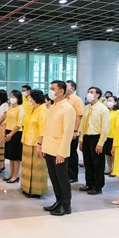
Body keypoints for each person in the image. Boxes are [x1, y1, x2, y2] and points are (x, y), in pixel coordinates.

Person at [38, 81, 75, 216]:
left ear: (61, 91)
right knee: (54, 178)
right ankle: (58, 201)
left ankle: (66, 205)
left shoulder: (68, 108)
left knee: (62, 179)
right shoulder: (53, 107)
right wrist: (42, 146)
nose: (50, 91)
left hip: (59, 150)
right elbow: (47, 129)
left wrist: (62, 152)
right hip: (49, 148)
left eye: (53, 89)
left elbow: (67, 132)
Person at [78, 87, 110, 195]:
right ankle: (89, 183)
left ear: (97, 95)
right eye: (88, 92)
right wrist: (81, 139)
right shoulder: (86, 108)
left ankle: (97, 186)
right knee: (88, 162)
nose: (89, 94)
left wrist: (101, 143)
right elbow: (82, 125)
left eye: (91, 92)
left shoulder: (103, 109)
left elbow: (105, 128)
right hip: (86, 136)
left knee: (98, 163)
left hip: (97, 137)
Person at [20, 90, 49, 197]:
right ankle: (26, 188)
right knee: (27, 167)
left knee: (37, 167)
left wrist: (39, 144)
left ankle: (36, 191)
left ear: (35, 98)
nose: (29, 99)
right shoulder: (32, 109)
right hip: (27, 141)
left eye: (30, 97)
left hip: (36, 142)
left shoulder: (43, 111)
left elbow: (43, 129)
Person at [3, 90, 24, 184]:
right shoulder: (11, 108)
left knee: (16, 157)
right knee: (10, 156)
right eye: (10, 96)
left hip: (16, 133)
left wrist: (10, 134)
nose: (11, 98)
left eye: (13, 96)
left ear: (18, 98)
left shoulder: (21, 108)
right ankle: (11, 174)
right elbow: (6, 120)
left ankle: (15, 176)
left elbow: (19, 124)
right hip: (8, 131)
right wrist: (5, 132)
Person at [65, 80, 84, 183]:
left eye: (66, 86)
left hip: (72, 130)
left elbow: (78, 116)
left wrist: (75, 131)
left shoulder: (77, 100)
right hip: (62, 130)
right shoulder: (62, 98)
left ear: (72, 88)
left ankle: (73, 175)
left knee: (71, 153)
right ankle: (65, 173)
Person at [104, 96, 119, 177]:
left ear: (115, 102)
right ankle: (109, 168)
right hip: (106, 135)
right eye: (108, 100)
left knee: (113, 153)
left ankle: (115, 169)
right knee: (107, 153)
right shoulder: (106, 111)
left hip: (114, 135)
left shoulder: (118, 113)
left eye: (110, 100)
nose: (108, 102)